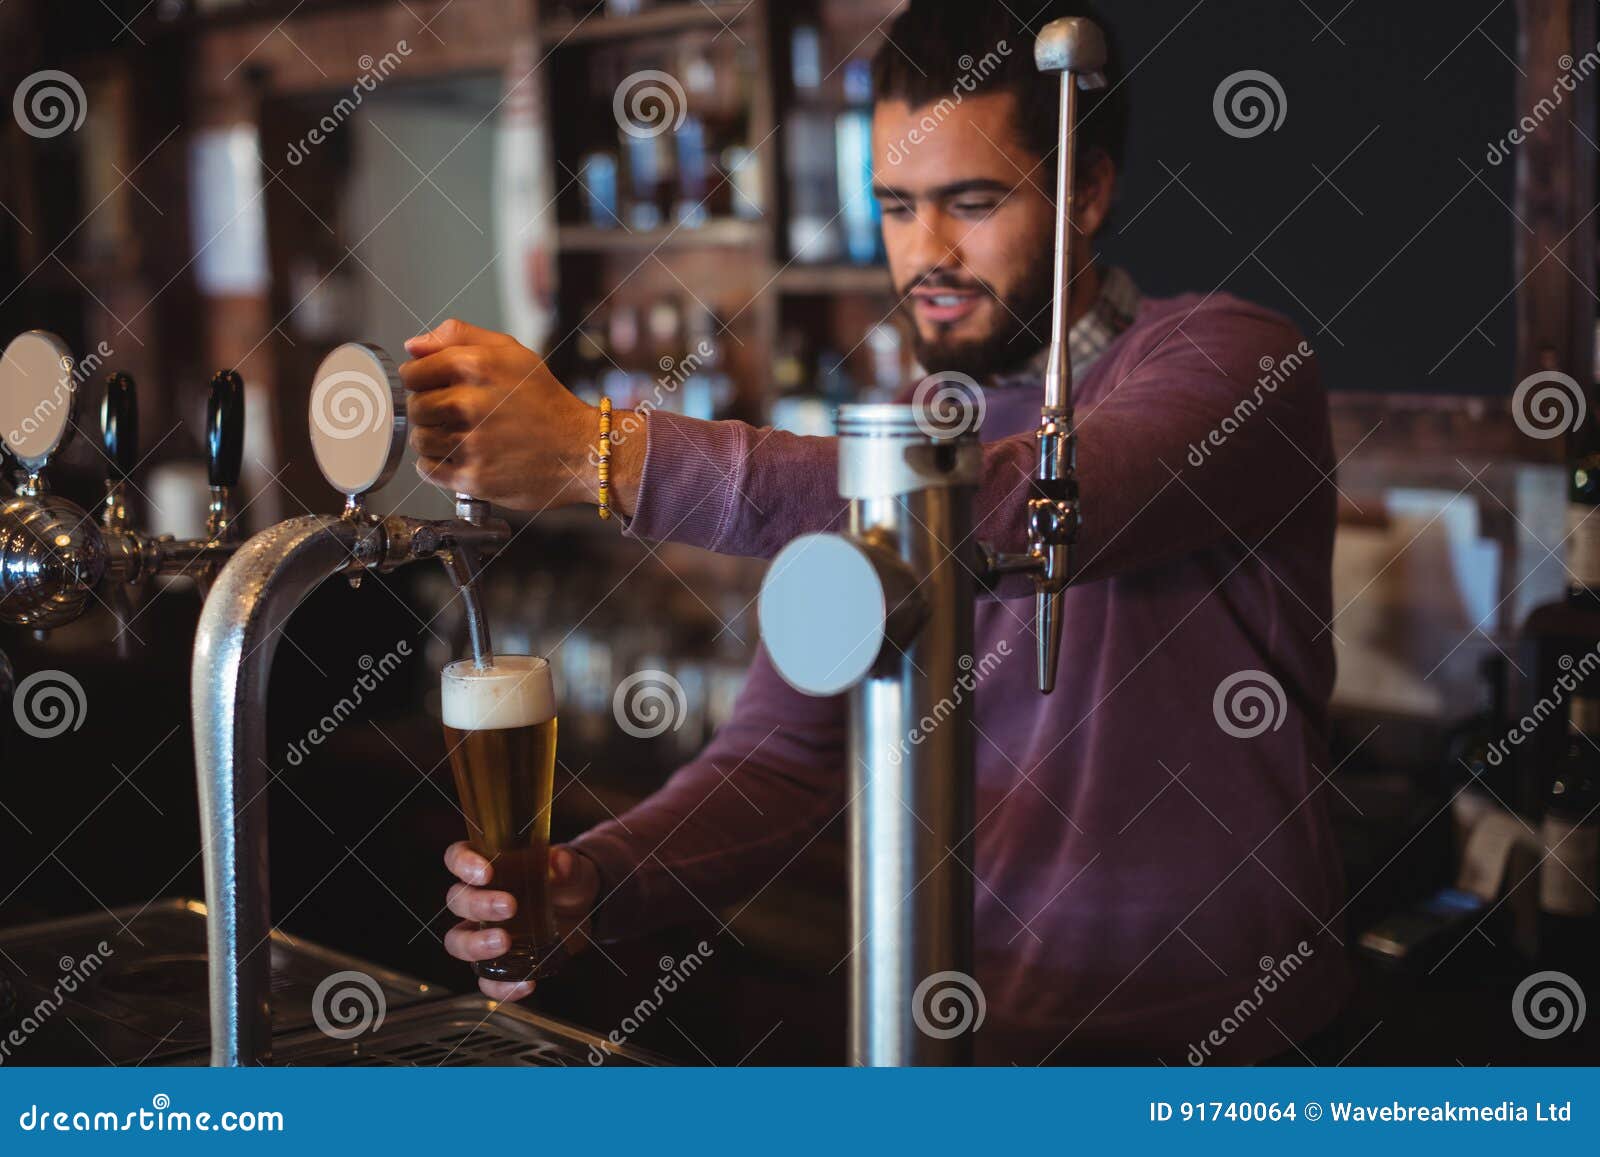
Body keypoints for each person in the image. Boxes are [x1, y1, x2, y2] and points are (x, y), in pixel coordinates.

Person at [402, 0, 1350, 1063]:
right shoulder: (893, 438)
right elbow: (781, 756)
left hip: (1235, 1054)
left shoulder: (1236, 363)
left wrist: (601, 452)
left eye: (972, 202)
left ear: (1085, 191)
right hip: (971, 1047)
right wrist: (603, 876)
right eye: (897, 206)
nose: (926, 253)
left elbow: (1025, 504)